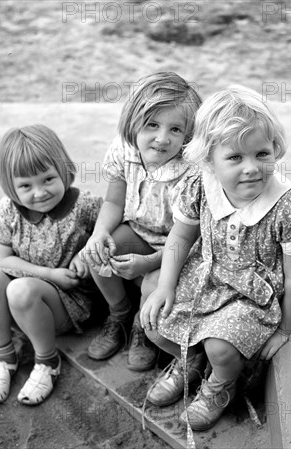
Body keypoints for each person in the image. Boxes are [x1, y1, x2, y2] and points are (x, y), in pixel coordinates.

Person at [140, 85, 291, 431]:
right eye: (235, 158)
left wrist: (285, 329)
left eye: (261, 154)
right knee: (155, 320)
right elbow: (181, 235)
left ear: (275, 149)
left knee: (221, 347)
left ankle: (220, 384)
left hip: (253, 295)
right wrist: (165, 286)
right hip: (205, 276)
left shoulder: (289, 204)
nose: (251, 168)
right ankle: (189, 361)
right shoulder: (199, 184)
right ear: (209, 159)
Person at [81, 72, 202, 371]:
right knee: (96, 253)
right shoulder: (124, 150)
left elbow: (191, 238)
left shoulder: (191, 170)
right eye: (152, 125)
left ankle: (142, 327)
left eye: (175, 129)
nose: (162, 138)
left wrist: (149, 263)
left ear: (188, 135)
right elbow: (113, 201)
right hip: (138, 232)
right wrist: (99, 233)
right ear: (133, 121)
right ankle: (119, 315)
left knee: (152, 284)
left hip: (176, 250)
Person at [0, 124, 102, 405]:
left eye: (47, 179)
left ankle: (47, 362)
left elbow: (112, 229)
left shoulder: (85, 206)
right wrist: (49, 274)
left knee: (21, 290)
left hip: (67, 303)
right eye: (25, 186)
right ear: (11, 185)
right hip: (23, 295)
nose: (40, 192)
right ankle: (4, 357)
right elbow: (1, 259)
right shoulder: (8, 210)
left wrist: (86, 253)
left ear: (63, 169)